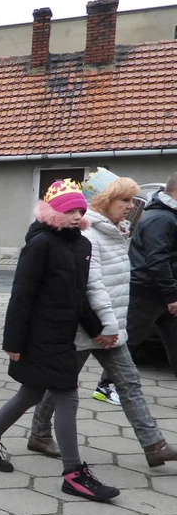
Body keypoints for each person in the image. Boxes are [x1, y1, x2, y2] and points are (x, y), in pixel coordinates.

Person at [0, 180, 119, 501]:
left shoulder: (82, 246)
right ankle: (74, 473)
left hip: (63, 334)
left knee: (32, 392)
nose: (78, 215)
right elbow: (21, 296)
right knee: (68, 396)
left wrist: (97, 329)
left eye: (81, 209)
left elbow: (78, 297)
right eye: (70, 210)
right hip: (38, 336)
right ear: (54, 212)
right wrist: (13, 343)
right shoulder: (41, 244)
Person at [29, 171, 177, 468]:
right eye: (123, 199)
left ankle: (154, 445)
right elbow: (89, 287)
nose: (130, 205)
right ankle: (38, 433)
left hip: (109, 326)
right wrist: (105, 327)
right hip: (89, 328)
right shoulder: (90, 236)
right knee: (60, 384)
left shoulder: (115, 231)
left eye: (132, 199)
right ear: (105, 200)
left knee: (129, 382)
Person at [102, 172, 177, 384]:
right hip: (146, 292)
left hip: (161, 292)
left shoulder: (169, 216)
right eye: (125, 201)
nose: (130, 206)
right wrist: (171, 295)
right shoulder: (161, 218)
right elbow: (157, 260)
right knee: (130, 341)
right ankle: (106, 385)